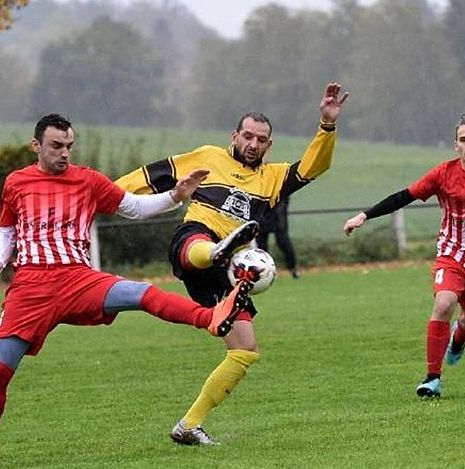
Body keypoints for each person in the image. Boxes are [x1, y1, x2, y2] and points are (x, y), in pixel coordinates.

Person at [0, 113, 251, 463]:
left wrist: (176, 195)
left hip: (77, 279)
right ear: (36, 146)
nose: (64, 153)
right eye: (56, 146)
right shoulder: (16, 182)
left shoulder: (88, 181)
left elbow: (135, 208)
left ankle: (211, 317)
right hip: (29, 288)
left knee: (142, 294)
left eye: (69, 146)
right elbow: (6, 230)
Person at [117, 82, 349, 445]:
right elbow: (153, 175)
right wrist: (109, 195)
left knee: (245, 350)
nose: (253, 144)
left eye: (260, 140)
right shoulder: (209, 156)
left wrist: (327, 124)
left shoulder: (271, 178)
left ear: (268, 145)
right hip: (195, 242)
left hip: (228, 274)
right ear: (234, 135)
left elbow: (313, 167)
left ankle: (189, 425)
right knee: (201, 244)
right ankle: (219, 249)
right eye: (247, 136)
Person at [343, 113, 465, 398]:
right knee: (444, 303)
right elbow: (404, 196)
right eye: (463, 140)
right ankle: (432, 379)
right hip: (452, 253)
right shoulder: (443, 174)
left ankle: (459, 339)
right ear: (455, 145)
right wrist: (365, 215)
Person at [256, 191, 300, 279]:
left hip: (278, 205)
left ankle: (293, 268)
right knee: (262, 244)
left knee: (283, 241)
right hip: (263, 206)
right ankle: (265, 271)